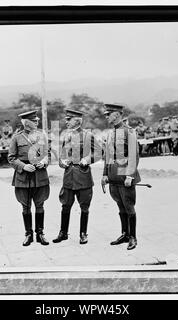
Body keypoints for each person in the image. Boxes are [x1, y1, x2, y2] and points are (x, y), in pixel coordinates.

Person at [53, 109, 100, 245]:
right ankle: (63, 233)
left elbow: (98, 152)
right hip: (68, 176)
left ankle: (83, 233)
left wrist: (88, 159)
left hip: (83, 175)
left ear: (77, 121)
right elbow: (61, 156)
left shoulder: (87, 135)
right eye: (66, 119)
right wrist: (62, 162)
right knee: (65, 205)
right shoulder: (66, 136)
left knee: (84, 206)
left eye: (69, 119)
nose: (66, 122)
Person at [101, 103, 141, 250]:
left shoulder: (129, 132)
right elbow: (107, 156)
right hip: (113, 176)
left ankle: (133, 237)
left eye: (108, 114)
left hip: (125, 176)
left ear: (117, 115)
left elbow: (134, 155)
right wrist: (105, 174)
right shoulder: (111, 133)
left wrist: (130, 175)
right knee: (120, 206)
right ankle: (125, 234)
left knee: (129, 207)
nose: (106, 116)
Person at [8, 110, 50, 246]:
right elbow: (11, 158)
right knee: (25, 207)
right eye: (34, 120)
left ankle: (40, 233)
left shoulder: (41, 136)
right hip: (23, 177)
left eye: (37, 120)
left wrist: (43, 162)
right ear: (26, 123)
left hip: (39, 175)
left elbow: (47, 154)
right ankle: (28, 234)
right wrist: (23, 166)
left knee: (40, 205)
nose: (37, 122)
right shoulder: (16, 137)